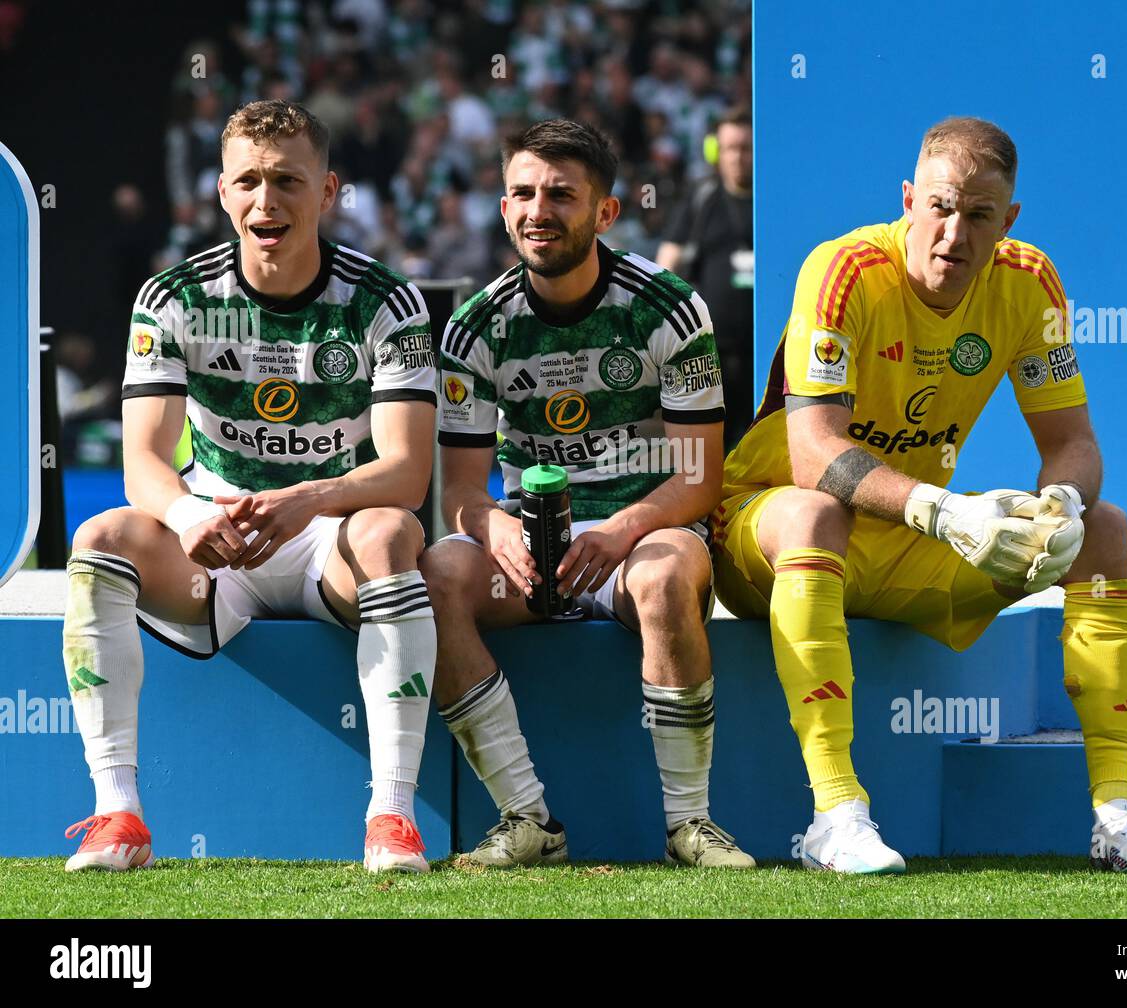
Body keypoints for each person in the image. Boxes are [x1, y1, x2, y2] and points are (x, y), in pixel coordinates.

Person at [712, 116, 1127, 875]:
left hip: (904, 538)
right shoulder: (845, 270)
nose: (954, 233)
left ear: (1009, 221)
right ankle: (836, 815)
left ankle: (1117, 815)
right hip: (769, 524)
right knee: (816, 510)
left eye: (978, 215)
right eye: (938, 206)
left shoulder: (1030, 282)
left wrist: (1060, 503)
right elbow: (813, 453)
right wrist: (943, 509)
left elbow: (1073, 444)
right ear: (907, 198)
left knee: (1104, 529)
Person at [61, 100, 440, 875]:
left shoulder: (386, 301)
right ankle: (117, 814)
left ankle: (392, 817)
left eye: (288, 182)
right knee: (98, 540)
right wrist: (189, 511)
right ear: (222, 194)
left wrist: (307, 498)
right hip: (218, 542)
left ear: (328, 192)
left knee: (391, 532)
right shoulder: (172, 297)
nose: (267, 203)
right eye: (248, 183)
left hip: (329, 537)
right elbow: (144, 464)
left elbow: (406, 474)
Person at [423, 119, 753, 869]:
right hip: (532, 548)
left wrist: (619, 532)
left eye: (561, 195)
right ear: (504, 209)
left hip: (643, 537)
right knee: (436, 574)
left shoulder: (667, 307)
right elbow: (462, 493)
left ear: (606, 212)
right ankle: (527, 819)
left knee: (667, 576)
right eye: (522, 194)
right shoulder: (476, 327)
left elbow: (700, 477)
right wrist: (493, 528)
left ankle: (690, 826)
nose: (539, 210)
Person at [656, 108, 754, 450]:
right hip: (710, 354)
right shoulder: (702, 200)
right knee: (709, 447)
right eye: (730, 148)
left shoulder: (773, 200)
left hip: (764, 355)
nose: (738, 157)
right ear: (716, 152)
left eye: (746, 148)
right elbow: (667, 263)